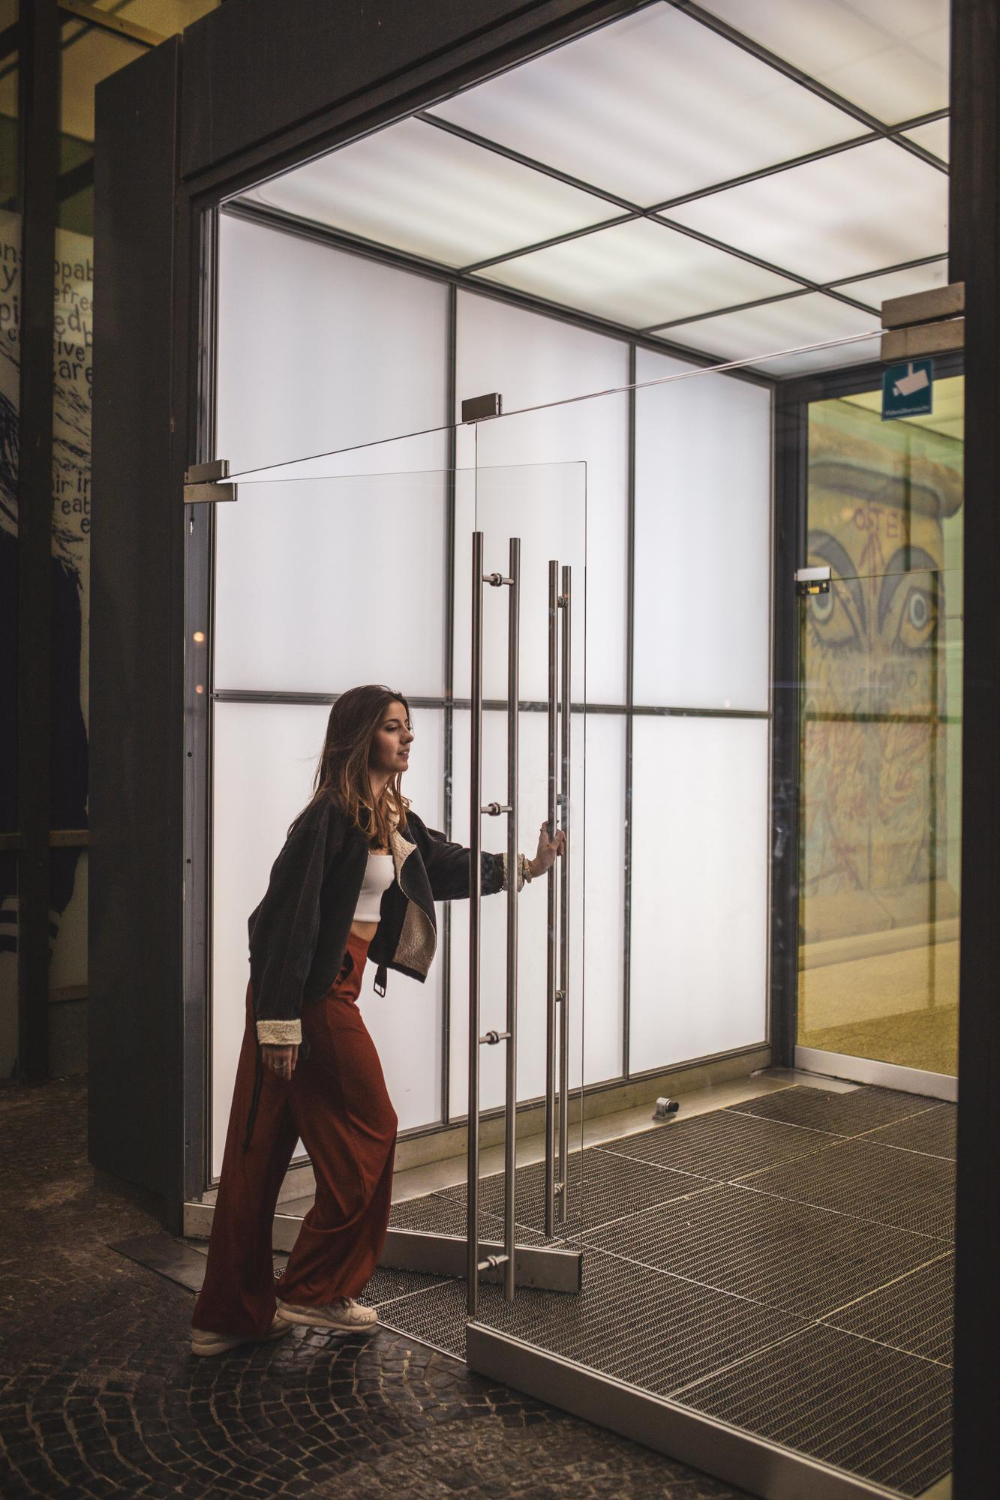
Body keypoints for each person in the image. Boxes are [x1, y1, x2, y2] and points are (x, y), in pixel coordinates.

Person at [191, 683, 564, 1355]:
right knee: (373, 1131)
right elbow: (280, 924)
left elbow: (443, 867)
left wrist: (527, 868)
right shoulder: (328, 818)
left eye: (408, 727)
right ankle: (316, 1287)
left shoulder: (387, 817)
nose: (407, 737)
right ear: (363, 737)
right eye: (394, 728)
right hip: (308, 998)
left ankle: (228, 1314)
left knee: (258, 1153)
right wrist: (279, 1027)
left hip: (312, 998)